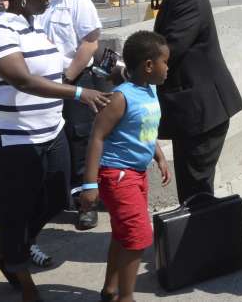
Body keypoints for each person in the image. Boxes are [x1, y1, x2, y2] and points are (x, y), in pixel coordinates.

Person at [0, 0, 111, 302]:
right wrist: (79, 93)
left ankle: (11, 247)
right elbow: (23, 79)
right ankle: (23, 278)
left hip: (50, 131)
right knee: (17, 207)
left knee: (55, 196)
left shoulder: (35, 27)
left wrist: (110, 68)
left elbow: (56, 66)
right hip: (12, 139)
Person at [132, 0, 242, 203]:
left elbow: (168, 50)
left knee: (196, 191)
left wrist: (131, 69)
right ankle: (199, 239)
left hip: (203, 113)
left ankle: (201, 240)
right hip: (191, 114)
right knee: (191, 187)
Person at [78, 31, 171, 302]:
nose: (169, 68)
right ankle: (126, 297)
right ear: (149, 66)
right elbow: (97, 136)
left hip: (137, 174)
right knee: (138, 238)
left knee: (122, 235)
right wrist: (89, 184)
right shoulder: (120, 98)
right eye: (165, 62)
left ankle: (110, 290)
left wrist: (159, 155)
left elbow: (144, 128)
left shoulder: (149, 89)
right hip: (117, 176)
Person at [35, 0, 105, 230]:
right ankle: (54, 199)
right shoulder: (33, 1)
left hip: (73, 81)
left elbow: (90, 42)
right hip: (41, 84)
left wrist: (67, 79)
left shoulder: (77, 1)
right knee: (47, 141)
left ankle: (85, 204)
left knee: (79, 141)